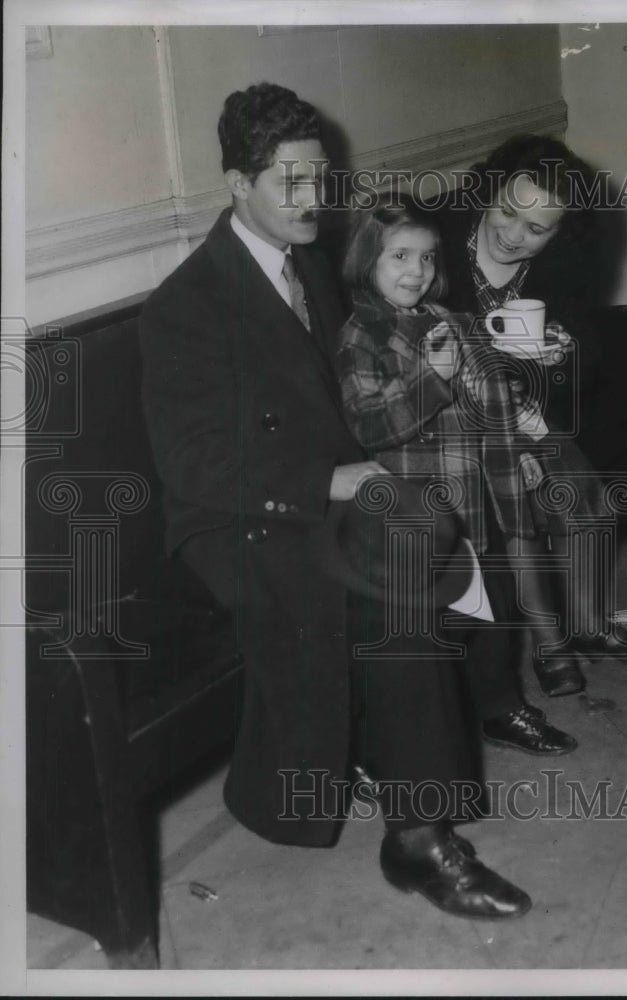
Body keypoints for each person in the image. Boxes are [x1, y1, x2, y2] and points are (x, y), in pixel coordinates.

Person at [139, 82, 534, 921]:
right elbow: (194, 465)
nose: (312, 198)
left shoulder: (309, 269)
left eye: (319, 178)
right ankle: (421, 840)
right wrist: (327, 482)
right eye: (290, 181)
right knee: (387, 589)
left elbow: (348, 403)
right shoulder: (187, 305)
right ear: (237, 183)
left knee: (423, 536)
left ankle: (406, 782)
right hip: (236, 522)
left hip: (318, 499)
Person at [335, 197, 622, 700]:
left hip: (481, 467)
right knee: (485, 560)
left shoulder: (450, 318)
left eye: (426, 257)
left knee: (522, 524)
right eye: (399, 256)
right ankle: (488, 680)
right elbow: (372, 426)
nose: (416, 271)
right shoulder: (361, 337)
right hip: (418, 482)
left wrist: (522, 452)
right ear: (367, 259)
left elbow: (491, 402)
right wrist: (435, 379)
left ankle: (551, 645)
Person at [428, 134, 627, 689]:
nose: (512, 235)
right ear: (488, 192)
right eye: (507, 212)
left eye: (537, 229)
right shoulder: (435, 242)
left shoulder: (565, 262)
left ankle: (586, 625)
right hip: (449, 415)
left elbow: (586, 353)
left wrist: (561, 354)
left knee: (593, 502)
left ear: (560, 232)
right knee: (525, 505)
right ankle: (548, 645)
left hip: (525, 409)